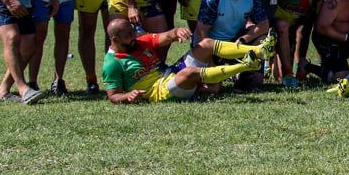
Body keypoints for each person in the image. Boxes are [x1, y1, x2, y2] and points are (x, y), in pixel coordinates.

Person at [100, 20, 270, 104]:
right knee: (189, 73)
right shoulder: (112, 63)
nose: (134, 36)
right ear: (115, 39)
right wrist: (127, 97)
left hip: (171, 74)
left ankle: (259, 51)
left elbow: (167, 35)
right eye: (129, 35)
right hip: (162, 92)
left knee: (206, 44)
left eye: (132, 31)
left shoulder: (140, 41)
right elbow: (113, 95)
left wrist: (177, 32)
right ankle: (245, 65)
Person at [195, 0, 272, 89]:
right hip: (212, 47)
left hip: (235, 44)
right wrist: (212, 66)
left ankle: (244, 78)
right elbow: (201, 33)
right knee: (214, 89)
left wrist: (243, 39)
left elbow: (264, 25)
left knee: (262, 39)